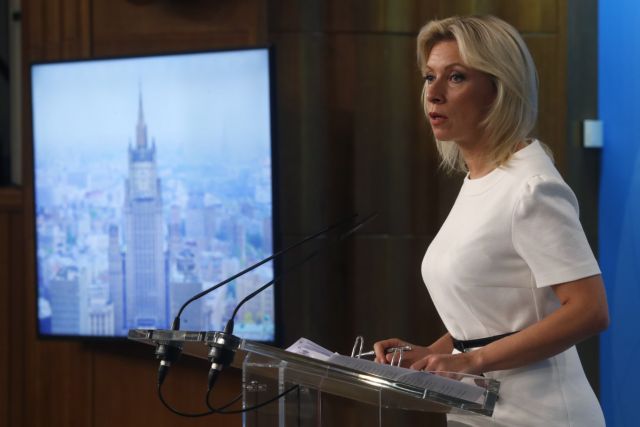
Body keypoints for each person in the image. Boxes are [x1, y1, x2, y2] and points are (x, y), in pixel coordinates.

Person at [373, 15, 609, 427]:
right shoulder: (483, 179)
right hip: (478, 411)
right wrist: (433, 355)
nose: (434, 94)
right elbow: (497, 317)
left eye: (456, 77)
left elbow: (590, 310)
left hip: (541, 415)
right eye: (429, 77)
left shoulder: (531, 187)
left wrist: (472, 361)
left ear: (499, 90)